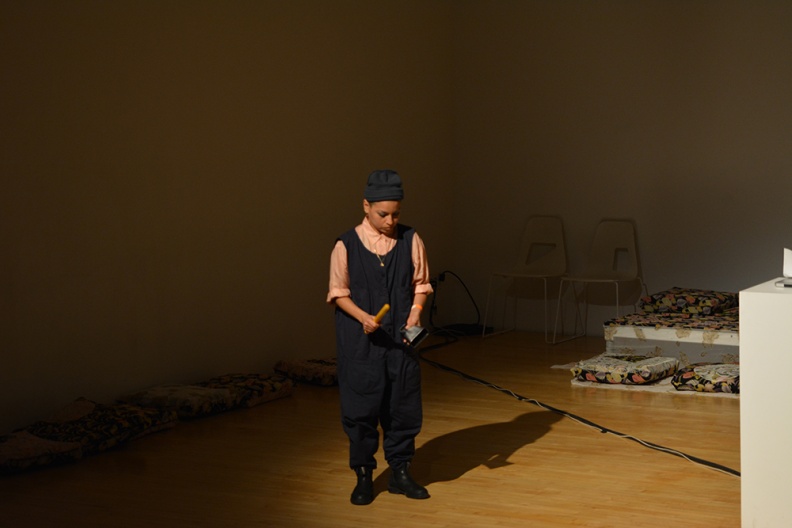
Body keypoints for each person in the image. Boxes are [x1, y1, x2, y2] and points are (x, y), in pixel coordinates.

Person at [327, 169, 433, 506]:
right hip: (361, 342)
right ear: (366, 206)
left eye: (395, 214)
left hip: (400, 343)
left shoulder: (411, 239)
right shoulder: (345, 245)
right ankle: (363, 476)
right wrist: (363, 317)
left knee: (402, 405)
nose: (390, 221)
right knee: (361, 407)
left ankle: (400, 472)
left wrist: (416, 311)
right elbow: (338, 293)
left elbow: (421, 284)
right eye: (383, 214)